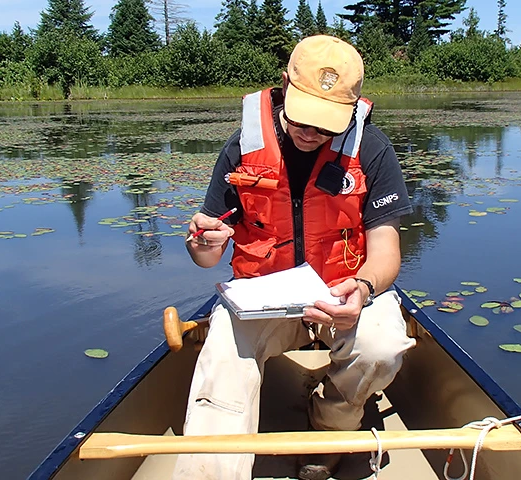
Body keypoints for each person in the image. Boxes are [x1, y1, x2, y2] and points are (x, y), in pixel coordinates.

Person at [175, 35, 416, 480]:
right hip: (261, 300)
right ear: (284, 85)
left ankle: (329, 429)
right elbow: (207, 255)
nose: (312, 133)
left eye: (328, 124)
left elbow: (385, 250)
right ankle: (210, 470)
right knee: (222, 357)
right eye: (304, 117)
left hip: (340, 294)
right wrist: (202, 246)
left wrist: (362, 288)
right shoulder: (242, 147)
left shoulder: (373, 149)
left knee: (383, 348)